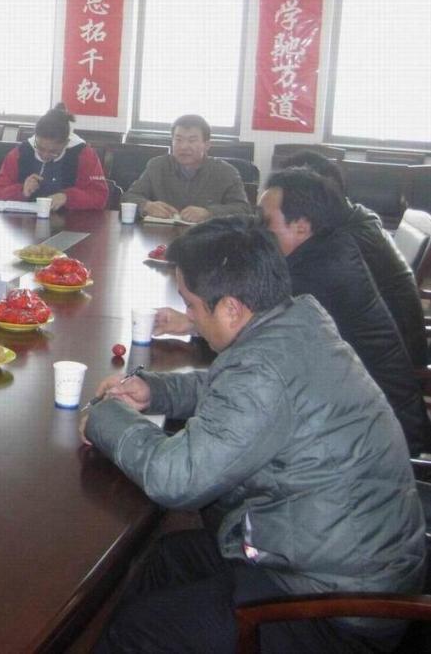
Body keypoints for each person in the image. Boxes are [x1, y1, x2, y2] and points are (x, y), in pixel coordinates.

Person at [83, 216, 426, 653]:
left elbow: (176, 477)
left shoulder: (264, 368)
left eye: (191, 305)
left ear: (231, 308)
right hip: (336, 554)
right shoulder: (295, 321)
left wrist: (104, 417)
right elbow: (235, 390)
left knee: (137, 629)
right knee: (166, 559)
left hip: (341, 609)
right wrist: (157, 391)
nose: (189, 316)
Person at [156, 167, 431, 454]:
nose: (256, 228)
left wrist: (195, 323)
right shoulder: (325, 248)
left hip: (378, 443)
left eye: (265, 221)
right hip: (354, 421)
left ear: (301, 225)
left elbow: (250, 345)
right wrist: (193, 322)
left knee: (200, 425)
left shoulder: (314, 276)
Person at [278, 149, 427, 368]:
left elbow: (287, 298)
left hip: (382, 366)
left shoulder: (341, 245)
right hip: (386, 349)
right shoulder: (355, 218)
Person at [122, 114, 252, 222]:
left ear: (207, 145)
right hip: (161, 236)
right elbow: (129, 196)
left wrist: (209, 213)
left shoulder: (226, 172)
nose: (184, 146)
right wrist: (146, 206)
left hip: (207, 238)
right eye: (178, 140)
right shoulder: (157, 166)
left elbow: (244, 210)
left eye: (192, 140)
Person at [0, 103, 107, 211]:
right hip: (24, 222)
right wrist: (21, 190)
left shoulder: (84, 154)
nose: (45, 155)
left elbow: (100, 197)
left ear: (66, 143)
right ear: (36, 138)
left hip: (72, 221)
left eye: (53, 152)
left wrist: (67, 197)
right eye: (40, 148)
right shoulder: (20, 153)